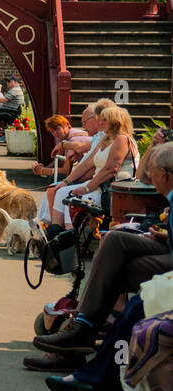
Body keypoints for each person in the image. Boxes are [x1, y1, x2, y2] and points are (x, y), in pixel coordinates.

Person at [32, 142, 173, 360]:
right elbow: (141, 176)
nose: (151, 178)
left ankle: (81, 333)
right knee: (115, 239)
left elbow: (130, 174)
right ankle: (82, 330)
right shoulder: (107, 141)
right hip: (168, 243)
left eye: (154, 172)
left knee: (118, 267)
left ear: (164, 175)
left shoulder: (121, 141)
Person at [31, 113, 91, 179]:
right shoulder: (74, 134)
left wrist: (43, 171)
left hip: (89, 175)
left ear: (66, 125)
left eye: (57, 129)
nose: (55, 133)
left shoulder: (73, 140)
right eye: (52, 131)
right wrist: (44, 168)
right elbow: (60, 161)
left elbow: (66, 171)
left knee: (56, 177)